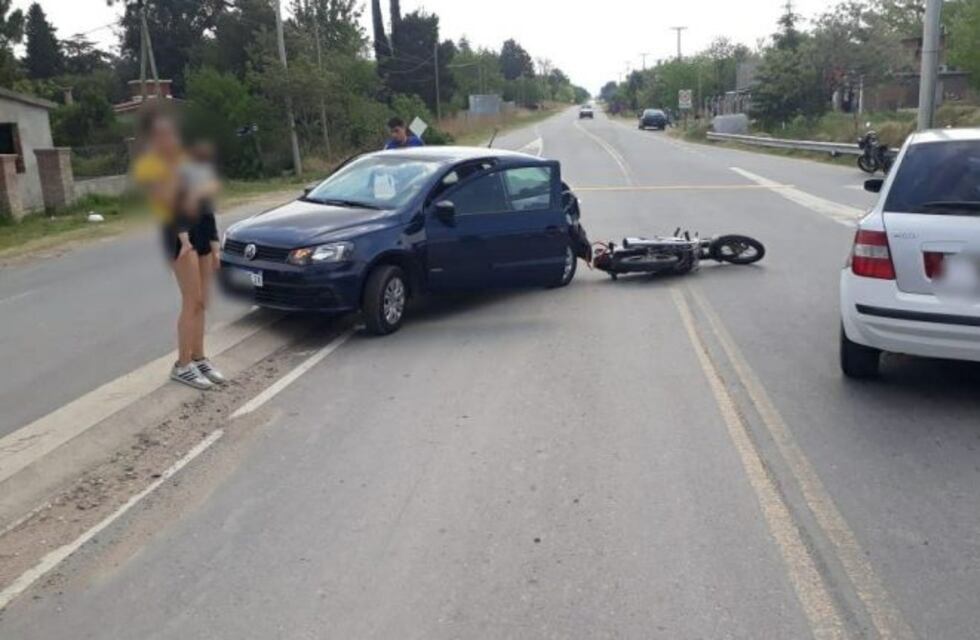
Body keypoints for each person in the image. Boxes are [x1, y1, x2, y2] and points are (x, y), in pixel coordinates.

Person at [133, 107, 226, 390]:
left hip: (200, 233)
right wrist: (184, 239)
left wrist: (213, 241)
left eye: (170, 133)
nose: (167, 139)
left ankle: (199, 357)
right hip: (178, 237)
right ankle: (182, 364)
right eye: (160, 134)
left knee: (202, 301)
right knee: (191, 299)